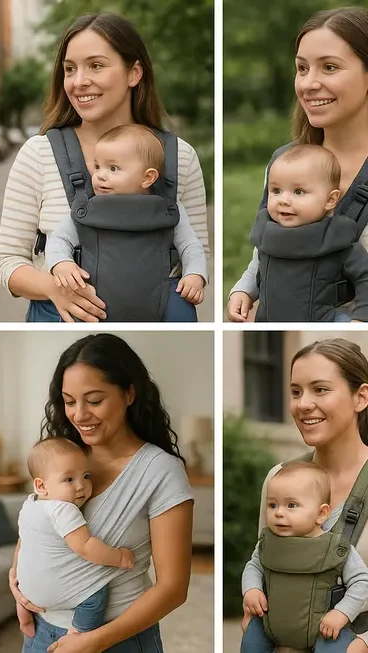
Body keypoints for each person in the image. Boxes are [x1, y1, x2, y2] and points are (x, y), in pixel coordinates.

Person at [0, 13, 209, 324]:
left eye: (96, 65)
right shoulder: (38, 154)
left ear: (134, 73)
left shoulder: (180, 158)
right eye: (70, 69)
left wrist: (195, 282)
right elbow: (5, 262)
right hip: (59, 320)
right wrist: (54, 287)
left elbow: (196, 251)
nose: (79, 82)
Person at [9, 333, 193, 653]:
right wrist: (17, 580)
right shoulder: (62, 458)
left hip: (116, 640)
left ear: (129, 393)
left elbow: (173, 588)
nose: (79, 415)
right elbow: (35, 527)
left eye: (94, 400)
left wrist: (95, 641)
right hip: (41, 633)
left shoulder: (161, 471)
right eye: (69, 401)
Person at [229, 8, 368, 323]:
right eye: (302, 68)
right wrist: (244, 288)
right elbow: (270, 245)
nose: (308, 84)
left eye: (329, 67)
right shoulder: (284, 161)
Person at [240, 338, 368, 653]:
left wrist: (360, 645)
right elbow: (267, 562)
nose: (303, 404)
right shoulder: (279, 479)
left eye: (320, 389)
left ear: (361, 397)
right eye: (296, 391)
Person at [44, 124, 207, 319]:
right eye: (97, 166)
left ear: (148, 177)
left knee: (183, 313)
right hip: (98, 297)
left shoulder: (168, 208)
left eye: (113, 168)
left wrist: (195, 274)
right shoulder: (89, 208)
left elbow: (190, 245)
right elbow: (59, 239)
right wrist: (61, 264)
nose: (100, 175)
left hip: (162, 292)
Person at [240, 461, 368, 652]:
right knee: (250, 644)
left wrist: (342, 613)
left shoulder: (335, 547)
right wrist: (251, 590)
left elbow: (362, 581)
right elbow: (254, 567)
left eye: (292, 505)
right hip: (271, 623)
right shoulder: (268, 543)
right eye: (272, 505)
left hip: (323, 628)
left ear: (321, 513)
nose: (279, 513)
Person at [15, 438, 134, 639]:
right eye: (69, 479)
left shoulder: (29, 504)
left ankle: (24, 618)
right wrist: (119, 557)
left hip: (25, 591)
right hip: (53, 593)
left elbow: (23, 541)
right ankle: (78, 631)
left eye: (86, 476)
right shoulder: (62, 509)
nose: (81, 486)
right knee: (96, 595)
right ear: (41, 485)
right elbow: (86, 546)